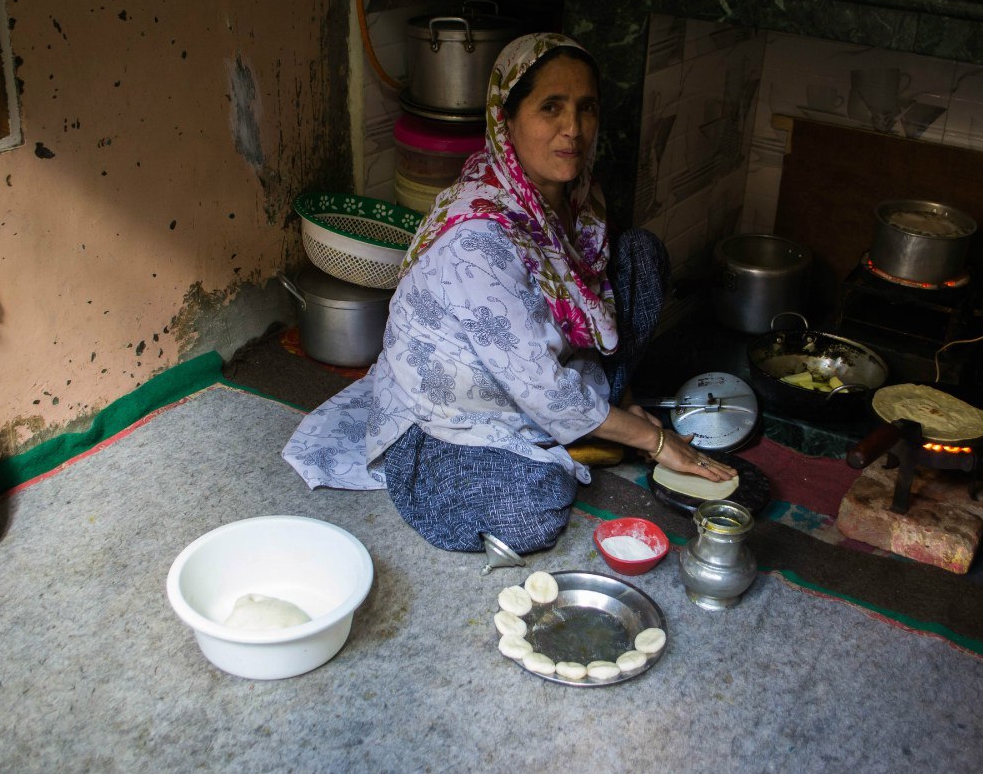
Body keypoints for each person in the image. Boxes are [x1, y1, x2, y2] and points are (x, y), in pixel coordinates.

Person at [282, 32, 736, 554]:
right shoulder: (479, 235)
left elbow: (585, 315)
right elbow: (538, 382)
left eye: (585, 109)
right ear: (507, 120)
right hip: (455, 414)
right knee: (530, 513)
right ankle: (550, 439)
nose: (573, 130)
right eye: (551, 108)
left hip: (540, 373)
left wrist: (625, 405)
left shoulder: (578, 200)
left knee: (640, 256)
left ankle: (589, 421)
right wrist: (657, 442)